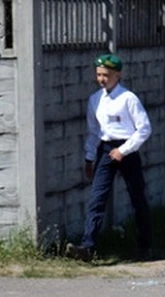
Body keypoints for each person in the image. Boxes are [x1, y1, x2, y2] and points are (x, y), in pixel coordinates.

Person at [66, 53, 153, 262]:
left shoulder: (128, 99)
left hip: (126, 150)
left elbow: (144, 129)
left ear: (117, 75)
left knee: (137, 198)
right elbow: (94, 131)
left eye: (106, 75)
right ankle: (88, 247)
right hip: (105, 150)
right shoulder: (95, 100)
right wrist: (89, 158)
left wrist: (123, 150)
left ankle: (145, 246)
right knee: (97, 198)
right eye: (98, 75)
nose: (101, 79)